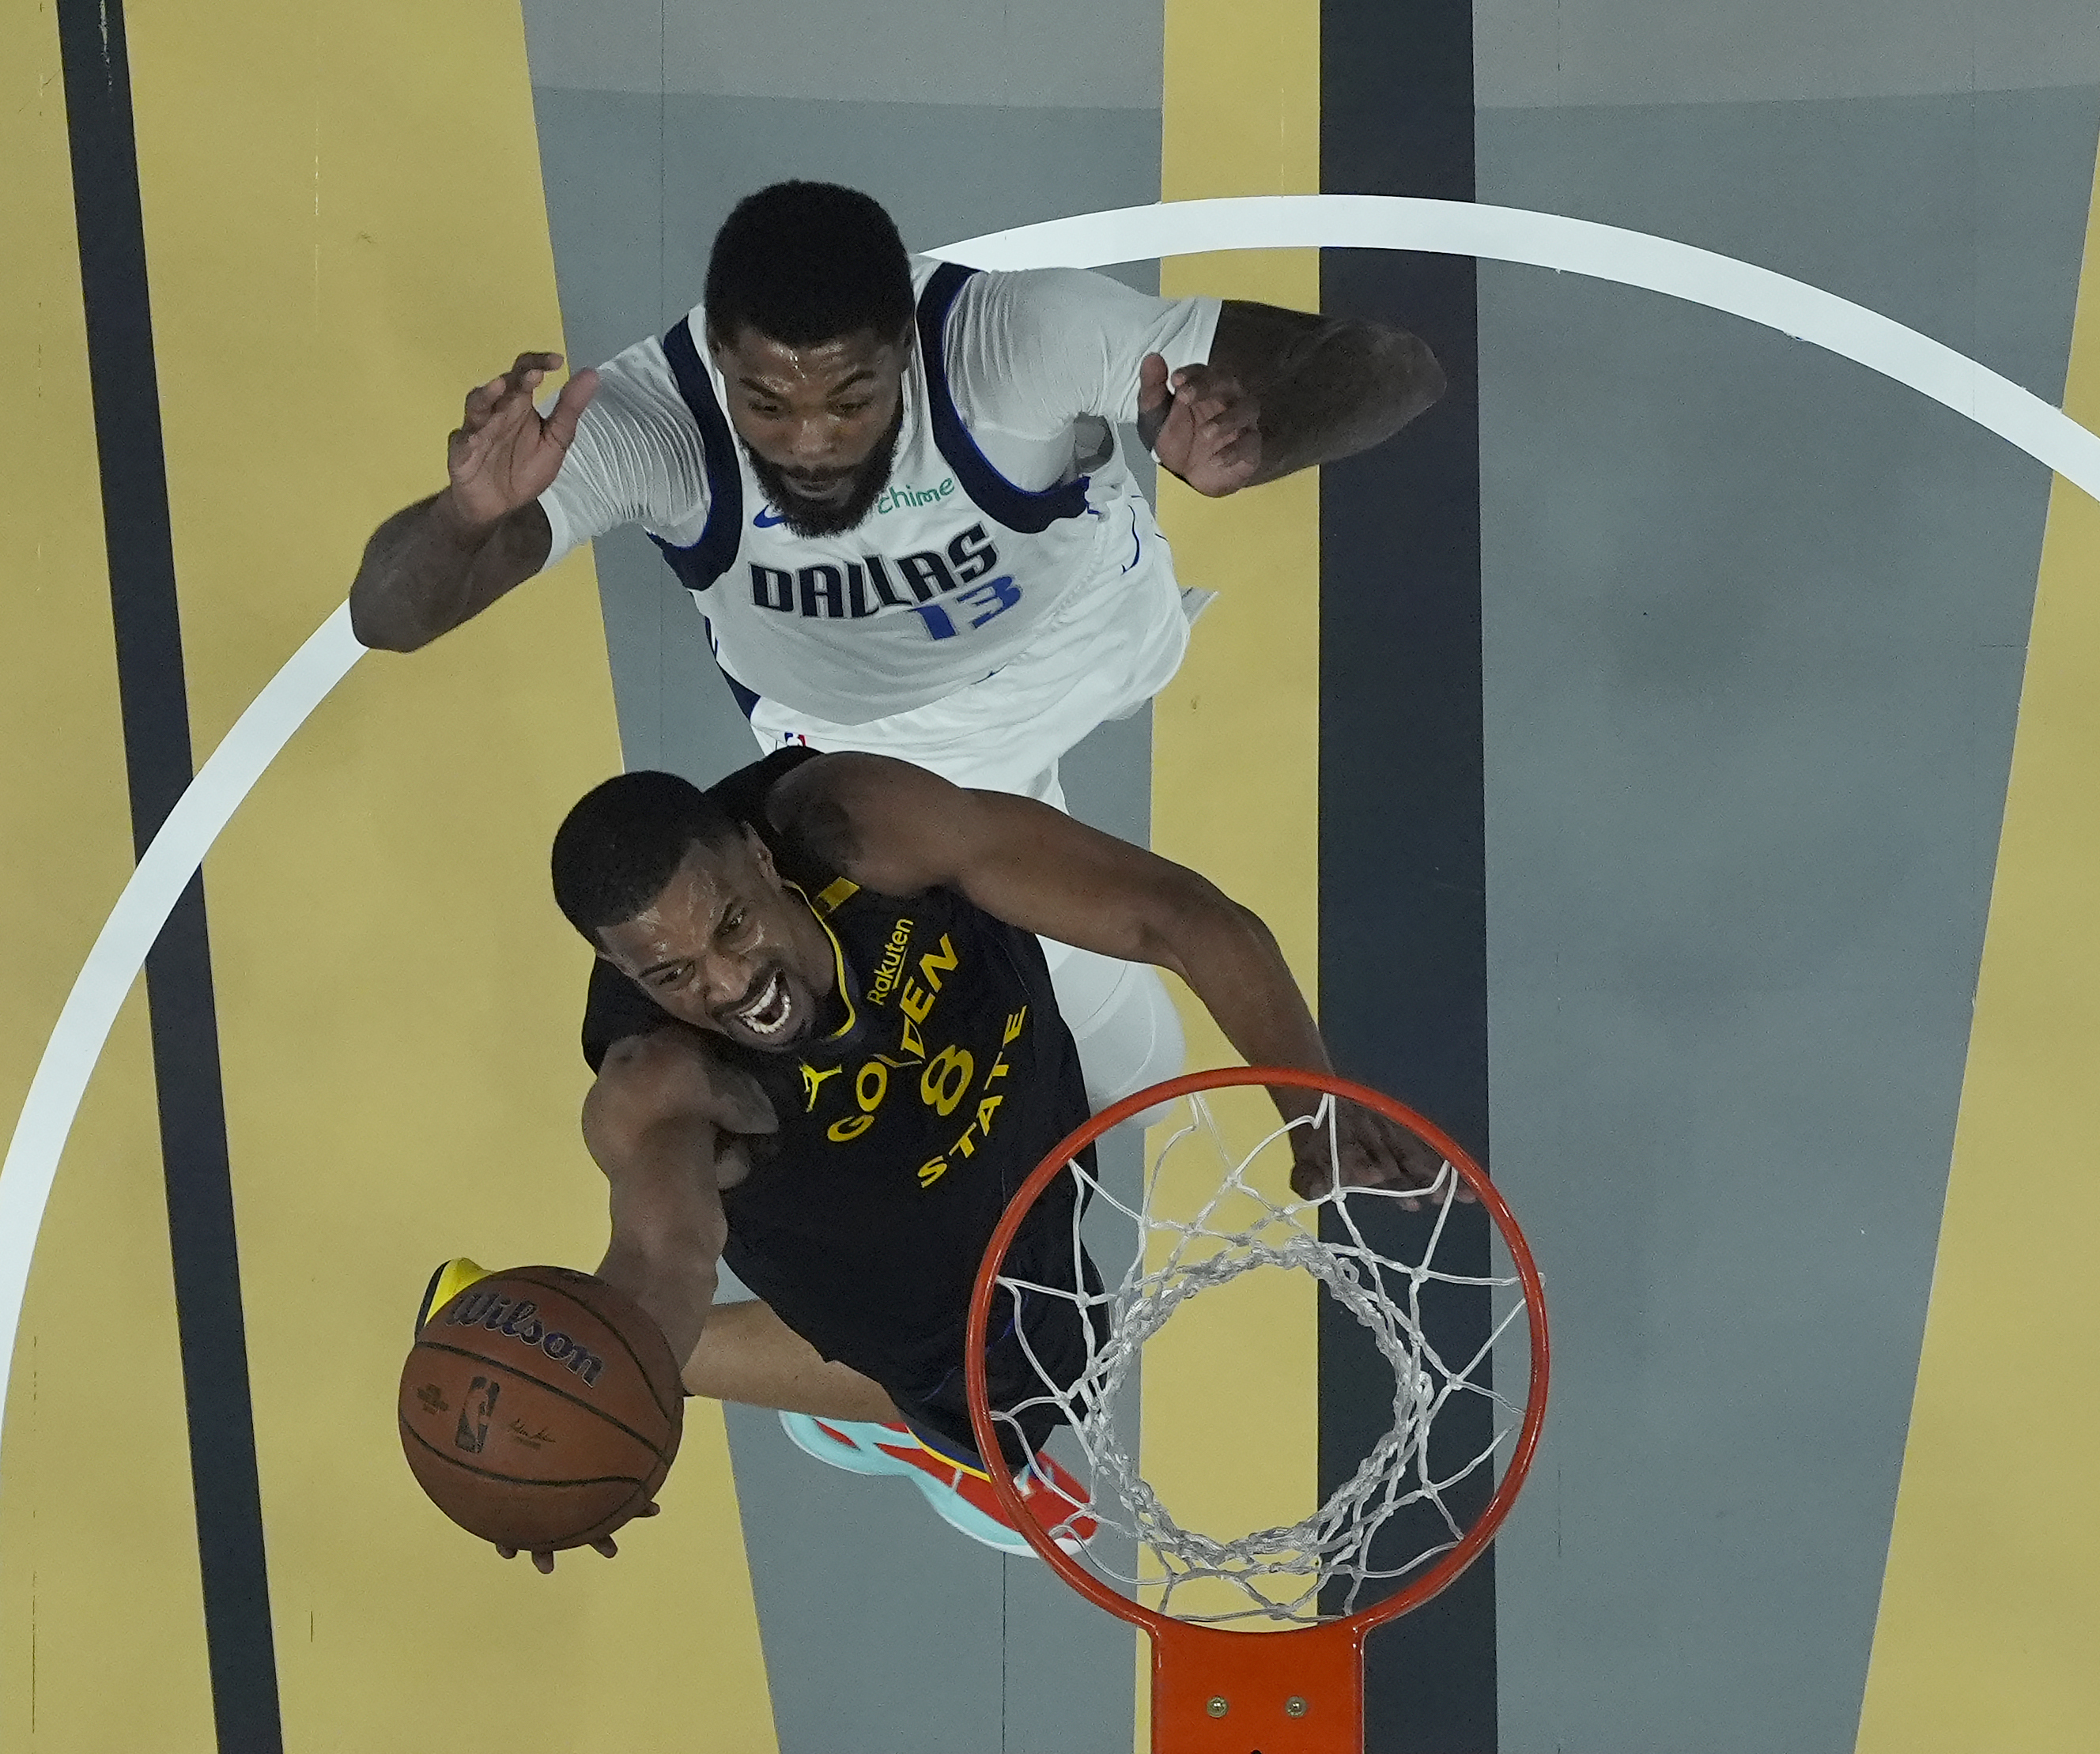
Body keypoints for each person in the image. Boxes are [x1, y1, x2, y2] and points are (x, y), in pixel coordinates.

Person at [349, 179, 1444, 1138]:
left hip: (1092, 632)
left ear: (903, 349)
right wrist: (462, 516)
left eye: (851, 398)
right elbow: (390, 615)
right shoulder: (656, 420)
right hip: (901, 748)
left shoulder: (1008, 334)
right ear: (721, 362)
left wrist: (1260, 434)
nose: (811, 440)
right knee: (1116, 1054)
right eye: (767, 403)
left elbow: (1391, 368)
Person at [442, 745, 1449, 1570]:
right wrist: (612, 1400)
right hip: (890, 1251)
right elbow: (665, 1257)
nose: (731, 981)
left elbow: (1172, 914)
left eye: (736, 926)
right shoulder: (658, 1081)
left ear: (758, 856)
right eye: (671, 973)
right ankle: (547, 1338)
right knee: (1045, 1379)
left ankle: (544, 1334)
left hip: (1023, 1095)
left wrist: (1311, 1101)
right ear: (621, 972)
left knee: (1144, 1065)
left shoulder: (859, 825)